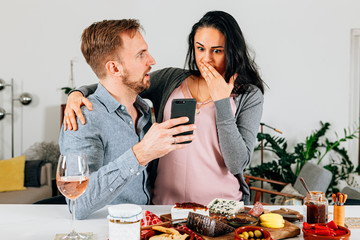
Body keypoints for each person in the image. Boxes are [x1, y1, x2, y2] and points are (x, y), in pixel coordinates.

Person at [64, 11, 264, 205]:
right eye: (200, 48)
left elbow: (237, 163)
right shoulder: (171, 80)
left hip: (221, 206)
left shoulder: (249, 95)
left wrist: (222, 102)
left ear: (231, 50)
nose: (207, 59)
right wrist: (77, 93)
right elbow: (117, 82)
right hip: (164, 206)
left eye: (217, 50)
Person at [59, 19, 195, 219]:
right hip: (106, 229)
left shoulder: (144, 109)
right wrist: (140, 154)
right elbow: (78, 203)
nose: (152, 61)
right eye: (141, 55)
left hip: (148, 223)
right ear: (114, 69)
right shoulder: (82, 118)